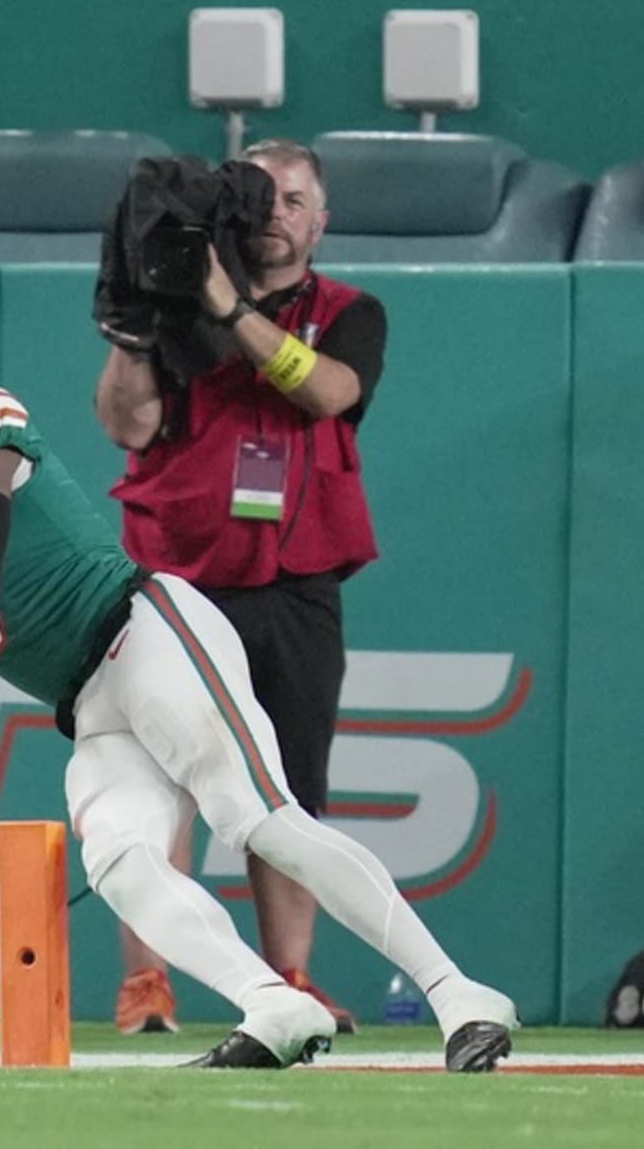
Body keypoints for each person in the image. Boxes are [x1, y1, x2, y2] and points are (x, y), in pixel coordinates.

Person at [0, 350, 516, 1070]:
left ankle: (459, 994)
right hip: (88, 702)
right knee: (120, 859)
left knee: (256, 814)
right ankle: (271, 1001)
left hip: (143, 631)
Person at [94, 139, 384, 1035]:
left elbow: (329, 392)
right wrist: (139, 324)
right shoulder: (174, 310)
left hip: (292, 581)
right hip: (173, 579)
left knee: (286, 790)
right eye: (260, 195)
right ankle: (150, 988)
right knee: (153, 787)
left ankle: (289, 980)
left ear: (321, 222)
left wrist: (231, 308)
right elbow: (124, 423)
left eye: (295, 199)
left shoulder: (348, 310)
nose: (278, 213)